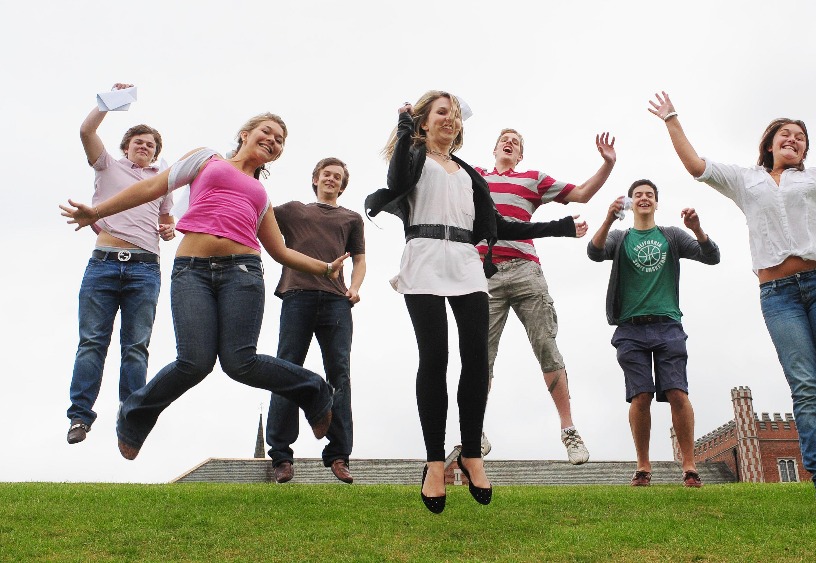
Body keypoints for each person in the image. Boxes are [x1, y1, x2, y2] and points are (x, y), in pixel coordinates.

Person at [649, 89, 816, 520]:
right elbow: (696, 166)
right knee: (805, 387)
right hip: (779, 295)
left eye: (800, 136)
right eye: (786, 134)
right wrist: (672, 118)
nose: (793, 139)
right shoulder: (746, 181)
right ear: (769, 144)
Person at [61, 113, 344, 460]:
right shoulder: (206, 158)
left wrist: (325, 268)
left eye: (279, 140)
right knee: (193, 362)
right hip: (191, 272)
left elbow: (281, 251)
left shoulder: (261, 195)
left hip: (242, 273)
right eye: (267, 131)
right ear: (245, 134)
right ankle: (134, 416)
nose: (272, 139)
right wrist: (97, 212)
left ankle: (314, 390)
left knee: (240, 363)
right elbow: (152, 187)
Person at [365, 91, 586, 513]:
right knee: (435, 357)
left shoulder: (470, 175)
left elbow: (499, 225)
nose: (450, 119)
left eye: (454, 114)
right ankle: (434, 463)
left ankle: (471, 453)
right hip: (424, 257)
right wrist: (404, 128)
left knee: (477, 359)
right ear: (424, 121)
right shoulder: (414, 158)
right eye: (441, 113)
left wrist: (558, 227)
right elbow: (396, 182)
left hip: (467, 262)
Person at [475, 128, 616, 464]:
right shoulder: (476, 177)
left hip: (526, 271)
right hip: (485, 274)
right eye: (504, 140)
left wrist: (608, 165)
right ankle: (474, 430)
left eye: (516, 142)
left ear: (520, 155)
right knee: (480, 355)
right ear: (494, 149)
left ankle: (569, 430)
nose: (510, 143)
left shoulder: (532, 179)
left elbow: (581, 194)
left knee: (546, 346)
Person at [588, 180, 720, 487]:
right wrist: (607, 219)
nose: (644, 198)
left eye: (649, 195)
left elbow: (711, 256)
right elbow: (594, 252)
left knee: (677, 392)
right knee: (641, 394)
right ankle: (643, 467)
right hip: (630, 328)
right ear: (631, 203)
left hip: (668, 325)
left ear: (657, 203)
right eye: (638, 195)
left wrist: (697, 229)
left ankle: (689, 466)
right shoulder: (620, 237)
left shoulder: (671, 235)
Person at [67, 82, 176, 445]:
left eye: (151, 144)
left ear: (156, 153)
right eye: (138, 142)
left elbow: (166, 220)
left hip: (144, 269)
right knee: (91, 342)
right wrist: (109, 103)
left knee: (136, 347)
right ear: (126, 147)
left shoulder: (162, 183)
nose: (145, 147)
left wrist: (168, 229)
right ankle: (80, 416)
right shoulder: (107, 167)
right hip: (104, 264)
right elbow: (86, 131)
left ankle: (130, 418)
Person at [267, 157, 366, 485]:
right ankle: (281, 456)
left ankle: (339, 454)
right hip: (297, 296)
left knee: (340, 373)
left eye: (338, 177)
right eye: (327, 174)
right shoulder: (294, 211)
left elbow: (360, 260)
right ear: (315, 179)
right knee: (286, 367)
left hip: (336, 302)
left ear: (342, 185)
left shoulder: (351, 219)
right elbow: (260, 215)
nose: (332, 179)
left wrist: (354, 288)